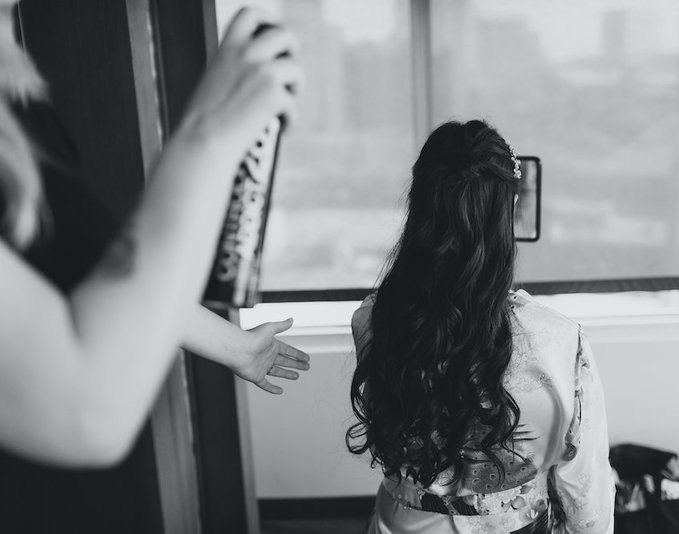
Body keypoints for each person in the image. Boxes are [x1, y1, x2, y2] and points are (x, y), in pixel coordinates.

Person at [0, 2, 307, 470]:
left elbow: (94, 271)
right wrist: (208, 134)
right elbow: (88, 414)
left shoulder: (16, 97)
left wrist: (234, 345)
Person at [348, 120, 614, 533]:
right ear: (506, 214)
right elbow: (586, 488)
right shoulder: (559, 340)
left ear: (418, 209)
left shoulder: (373, 320)